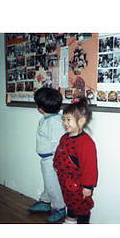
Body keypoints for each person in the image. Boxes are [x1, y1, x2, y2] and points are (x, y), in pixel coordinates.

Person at [53, 97, 98, 224]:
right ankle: (70, 221)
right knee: (69, 201)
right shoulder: (64, 137)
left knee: (81, 206)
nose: (65, 123)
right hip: (64, 180)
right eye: (63, 119)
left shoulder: (85, 143)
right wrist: (56, 164)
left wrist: (88, 186)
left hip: (79, 184)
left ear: (81, 121)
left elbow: (90, 167)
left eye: (68, 120)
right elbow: (59, 152)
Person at [28, 87, 66, 223]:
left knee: (52, 185)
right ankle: (45, 202)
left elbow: (58, 146)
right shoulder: (46, 119)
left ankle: (60, 208)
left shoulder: (54, 122)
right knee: (49, 183)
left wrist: (57, 163)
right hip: (46, 159)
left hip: (52, 160)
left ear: (39, 108)